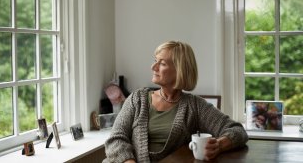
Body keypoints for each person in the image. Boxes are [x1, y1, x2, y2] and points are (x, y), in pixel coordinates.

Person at [103, 41, 248, 162]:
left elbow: (238, 131)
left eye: (162, 63)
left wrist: (219, 145)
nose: (153, 67)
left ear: (180, 70)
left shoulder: (195, 106)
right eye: (155, 61)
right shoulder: (137, 99)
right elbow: (116, 139)